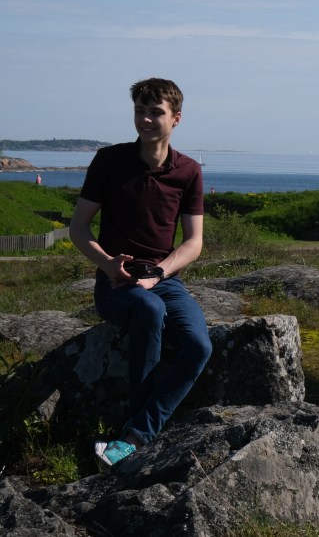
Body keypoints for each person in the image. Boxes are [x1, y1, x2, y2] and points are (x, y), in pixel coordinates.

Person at [70, 78, 211, 469]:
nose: (146, 119)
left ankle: (133, 437)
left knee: (199, 346)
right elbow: (79, 227)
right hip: (115, 282)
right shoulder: (109, 161)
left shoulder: (188, 171)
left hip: (164, 280)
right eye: (140, 111)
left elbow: (193, 242)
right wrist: (107, 265)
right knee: (148, 310)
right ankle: (132, 440)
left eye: (156, 112)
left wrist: (159, 275)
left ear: (176, 118)